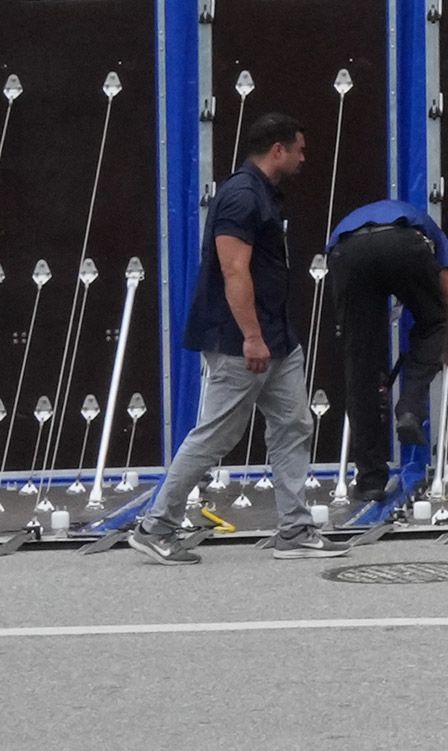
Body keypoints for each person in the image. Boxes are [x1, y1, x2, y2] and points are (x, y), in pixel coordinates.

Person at [128, 113, 349, 565]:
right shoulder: (241, 197)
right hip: (241, 342)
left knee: (293, 426)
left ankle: (295, 529)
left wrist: (270, 336)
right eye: (299, 150)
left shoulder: (264, 194)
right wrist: (251, 337)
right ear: (278, 151)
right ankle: (156, 525)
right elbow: (234, 270)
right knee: (216, 434)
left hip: (276, 339)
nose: (304, 158)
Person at [324, 197, 448, 505]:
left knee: (360, 364)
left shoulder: (354, 217)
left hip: (346, 250)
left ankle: (371, 480)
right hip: (402, 243)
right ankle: (409, 407)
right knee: (435, 323)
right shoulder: (430, 230)